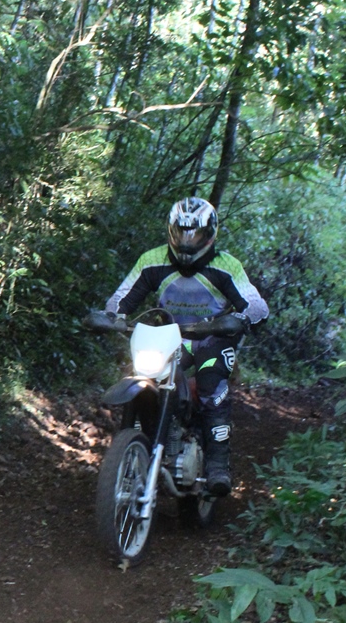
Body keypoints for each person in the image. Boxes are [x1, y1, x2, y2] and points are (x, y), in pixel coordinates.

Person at [103, 196, 268, 497]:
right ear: (171, 231)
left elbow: (257, 305)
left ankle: (218, 464)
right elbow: (122, 296)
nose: (188, 241)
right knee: (145, 376)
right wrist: (112, 316)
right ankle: (141, 447)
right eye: (182, 232)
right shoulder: (152, 261)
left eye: (196, 234)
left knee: (209, 381)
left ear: (211, 233)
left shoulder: (226, 266)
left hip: (212, 338)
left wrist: (242, 319)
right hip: (167, 337)